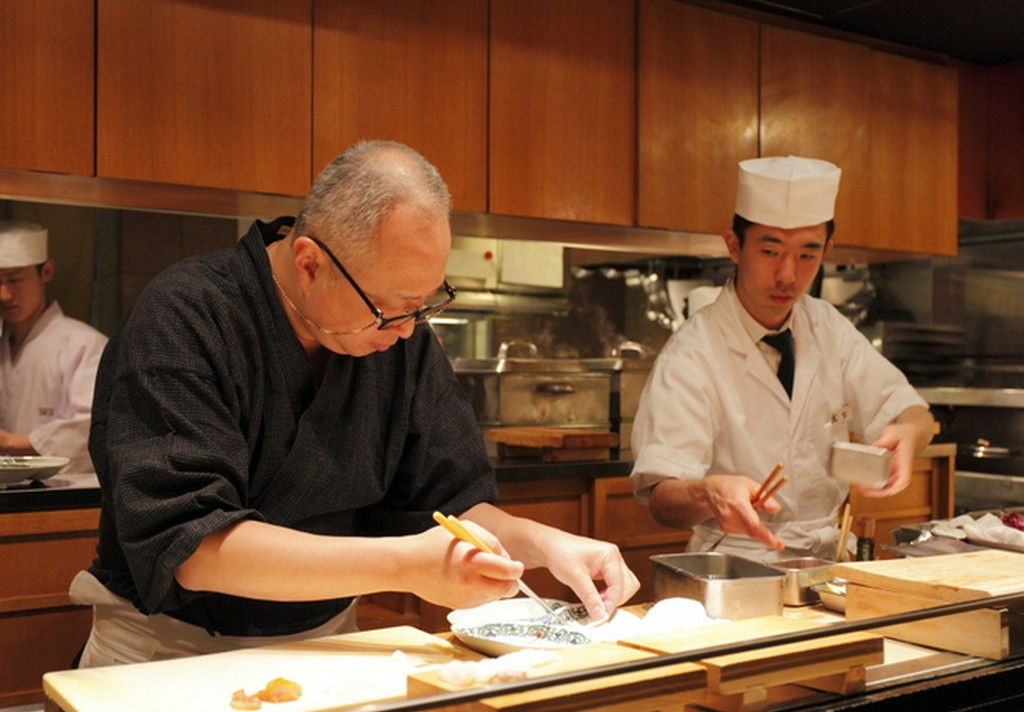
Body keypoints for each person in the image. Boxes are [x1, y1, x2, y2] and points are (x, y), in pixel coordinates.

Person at [73, 140, 639, 667]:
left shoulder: (399, 338)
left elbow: (453, 505)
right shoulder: (185, 316)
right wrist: (407, 565)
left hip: (332, 642)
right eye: (393, 307)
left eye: (425, 304)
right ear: (309, 263)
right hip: (166, 650)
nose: (408, 328)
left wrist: (546, 543)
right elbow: (194, 547)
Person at [629, 156, 935, 561]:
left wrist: (910, 435)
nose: (787, 275)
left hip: (827, 560)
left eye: (807, 255)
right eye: (770, 250)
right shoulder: (693, 353)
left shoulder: (828, 326)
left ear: (827, 249)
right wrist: (709, 492)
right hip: (736, 562)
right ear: (735, 246)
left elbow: (914, 415)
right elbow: (663, 500)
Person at [0, 221, 107, 475]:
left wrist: (8, 442)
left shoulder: (85, 344)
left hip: (65, 496)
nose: (4, 294)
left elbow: (91, 429)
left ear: (46, 271)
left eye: (14, 279)